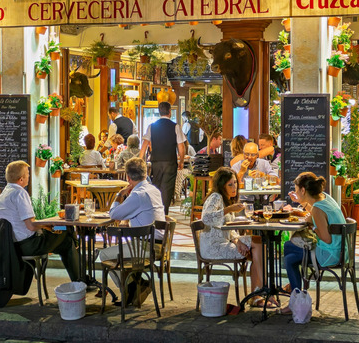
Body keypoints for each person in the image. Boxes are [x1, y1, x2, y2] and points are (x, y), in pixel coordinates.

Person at [0, 160, 80, 282]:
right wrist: (48, 225)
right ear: (21, 179)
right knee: (67, 231)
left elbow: (25, 222)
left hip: (13, 244)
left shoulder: (3, 195)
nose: (29, 176)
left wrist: (47, 226)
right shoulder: (19, 193)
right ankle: (80, 278)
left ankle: (80, 277)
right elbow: (31, 226)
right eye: (28, 174)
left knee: (64, 234)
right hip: (30, 244)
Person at [199, 167, 269, 306]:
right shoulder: (216, 197)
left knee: (258, 243)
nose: (234, 187)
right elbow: (206, 218)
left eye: (235, 183)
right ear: (221, 185)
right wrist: (229, 209)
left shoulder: (226, 199)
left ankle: (257, 292)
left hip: (225, 241)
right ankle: (260, 292)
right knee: (258, 247)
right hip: (214, 246)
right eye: (230, 184)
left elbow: (229, 229)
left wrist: (237, 241)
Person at [100, 157, 166, 289]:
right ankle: (135, 286)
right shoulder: (154, 190)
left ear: (128, 178)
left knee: (104, 254)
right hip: (159, 244)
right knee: (122, 249)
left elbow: (114, 214)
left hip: (145, 248)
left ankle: (131, 289)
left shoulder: (138, 195)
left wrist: (119, 194)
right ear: (145, 173)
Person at [282, 172, 346, 299]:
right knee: (289, 250)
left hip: (330, 254)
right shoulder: (325, 198)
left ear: (303, 190)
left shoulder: (317, 208)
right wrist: (301, 201)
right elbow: (315, 214)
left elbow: (326, 238)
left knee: (289, 254)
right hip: (342, 251)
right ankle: (297, 287)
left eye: (296, 190)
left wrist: (314, 227)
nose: (295, 192)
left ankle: (297, 295)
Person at [140, 101, 186, 215]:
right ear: (170, 112)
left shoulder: (152, 126)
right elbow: (181, 147)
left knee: (156, 186)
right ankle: (163, 214)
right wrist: (181, 161)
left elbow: (145, 145)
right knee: (167, 188)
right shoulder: (175, 126)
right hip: (170, 161)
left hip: (156, 161)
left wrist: (141, 161)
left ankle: (155, 212)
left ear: (159, 112)